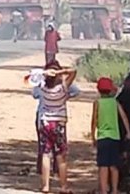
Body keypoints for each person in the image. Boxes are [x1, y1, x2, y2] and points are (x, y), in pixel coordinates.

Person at [32, 60, 78, 194]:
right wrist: (59, 72)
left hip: (45, 123)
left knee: (46, 154)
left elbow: (34, 77)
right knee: (60, 156)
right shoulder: (63, 88)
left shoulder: (42, 88)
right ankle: (63, 187)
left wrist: (46, 73)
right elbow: (73, 71)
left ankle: (45, 186)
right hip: (58, 124)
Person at [92, 77, 130, 194]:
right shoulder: (115, 102)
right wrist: (128, 132)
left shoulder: (97, 103)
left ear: (99, 90)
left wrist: (93, 136)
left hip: (102, 137)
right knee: (114, 165)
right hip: (115, 137)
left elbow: (94, 120)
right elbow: (124, 117)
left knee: (103, 166)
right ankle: (114, 190)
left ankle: (104, 191)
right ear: (110, 90)